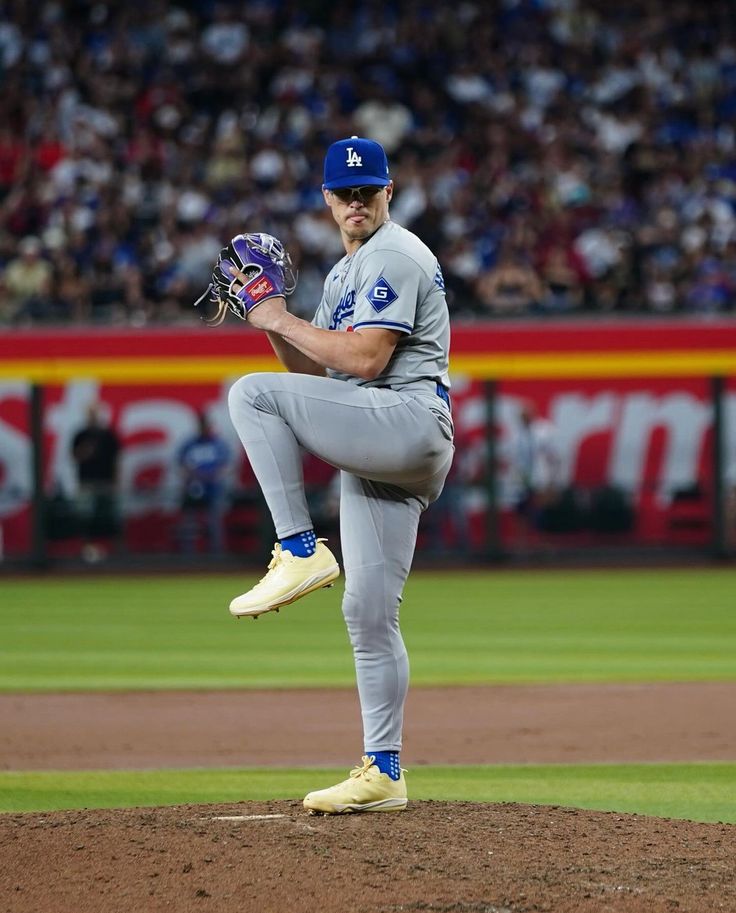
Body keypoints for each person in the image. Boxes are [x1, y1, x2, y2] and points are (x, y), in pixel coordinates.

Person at [221, 136, 454, 814]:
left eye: (368, 190)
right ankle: (384, 771)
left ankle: (297, 547)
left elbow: (369, 360)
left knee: (248, 394)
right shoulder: (346, 272)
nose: (356, 201)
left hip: (406, 419)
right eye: (344, 192)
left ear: (389, 192)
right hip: (382, 436)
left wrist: (280, 315)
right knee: (369, 612)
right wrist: (271, 318)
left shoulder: (394, 254)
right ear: (326, 199)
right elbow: (315, 380)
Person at [71, 403, 121, 560]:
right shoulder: (81, 435)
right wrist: (86, 450)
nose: (92, 417)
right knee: (85, 517)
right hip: (87, 482)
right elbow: (75, 456)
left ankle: (116, 551)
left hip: (106, 482)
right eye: (90, 413)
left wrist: (116, 481)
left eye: (94, 413)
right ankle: (86, 550)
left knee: (111, 517)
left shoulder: (108, 435)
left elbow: (117, 460)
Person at [177, 411, 231, 554]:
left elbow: (226, 466)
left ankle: (216, 554)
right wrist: (193, 476)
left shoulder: (217, 443)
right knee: (190, 523)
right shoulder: (190, 444)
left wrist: (211, 476)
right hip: (193, 488)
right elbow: (181, 465)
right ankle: (188, 554)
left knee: (214, 522)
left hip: (213, 489)